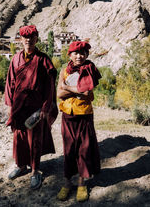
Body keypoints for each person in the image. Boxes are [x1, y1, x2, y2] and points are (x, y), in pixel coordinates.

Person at [4, 25, 58, 190]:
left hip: (35, 106)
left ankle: (35, 171)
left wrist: (46, 107)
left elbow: (50, 86)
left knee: (34, 139)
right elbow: (10, 84)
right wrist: (9, 105)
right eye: (25, 38)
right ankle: (21, 166)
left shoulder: (43, 59)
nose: (28, 40)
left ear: (36, 38)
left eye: (32, 37)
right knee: (18, 138)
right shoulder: (15, 59)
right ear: (21, 40)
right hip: (19, 106)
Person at [57, 41, 101, 202]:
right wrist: (75, 90)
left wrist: (67, 87)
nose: (79, 56)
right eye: (75, 53)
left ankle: (82, 183)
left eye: (82, 53)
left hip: (84, 115)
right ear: (69, 55)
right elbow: (59, 94)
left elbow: (87, 92)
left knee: (84, 149)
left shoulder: (89, 70)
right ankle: (67, 183)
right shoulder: (64, 71)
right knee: (69, 149)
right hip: (67, 114)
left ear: (87, 55)